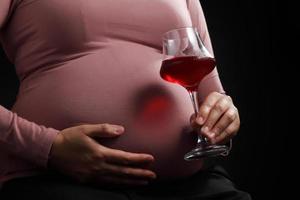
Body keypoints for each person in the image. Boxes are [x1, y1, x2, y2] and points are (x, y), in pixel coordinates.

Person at [0, 0, 251, 199]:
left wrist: (223, 111)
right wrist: (48, 148)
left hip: (191, 185)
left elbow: (210, 86)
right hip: (56, 180)